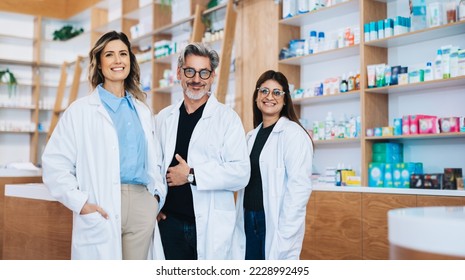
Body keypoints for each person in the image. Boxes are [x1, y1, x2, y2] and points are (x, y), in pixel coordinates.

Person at [41, 31, 165, 260]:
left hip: (141, 205)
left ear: (130, 60)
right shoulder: (80, 111)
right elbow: (53, 164)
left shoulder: (143, 111)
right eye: (109, 55)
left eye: (123, 54)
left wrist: (155, 199)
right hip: (102, 206)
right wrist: (82, 203)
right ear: (99, 64)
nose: (118, 60)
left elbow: (155, 162)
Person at [154, 42, 250, 260]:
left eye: (203, 72)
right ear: (179, 72)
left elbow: (241, 173)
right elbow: (152, 167)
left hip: (209, 225)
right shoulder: (164, 118)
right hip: (169, 223)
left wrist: (190, 175)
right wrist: (154, 205)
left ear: (212, 76)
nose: (196, 79)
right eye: (190, 71)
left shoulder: (227, 119)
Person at [234, 70, 314, 260]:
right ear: (256, 97)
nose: (269, 97)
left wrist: (286, 233)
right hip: (247, 218)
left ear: (285, 99)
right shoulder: (250, 137)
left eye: (276, 92)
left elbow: (299, 188)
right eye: (264, 91)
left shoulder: (293, 134)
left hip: (273, 221)